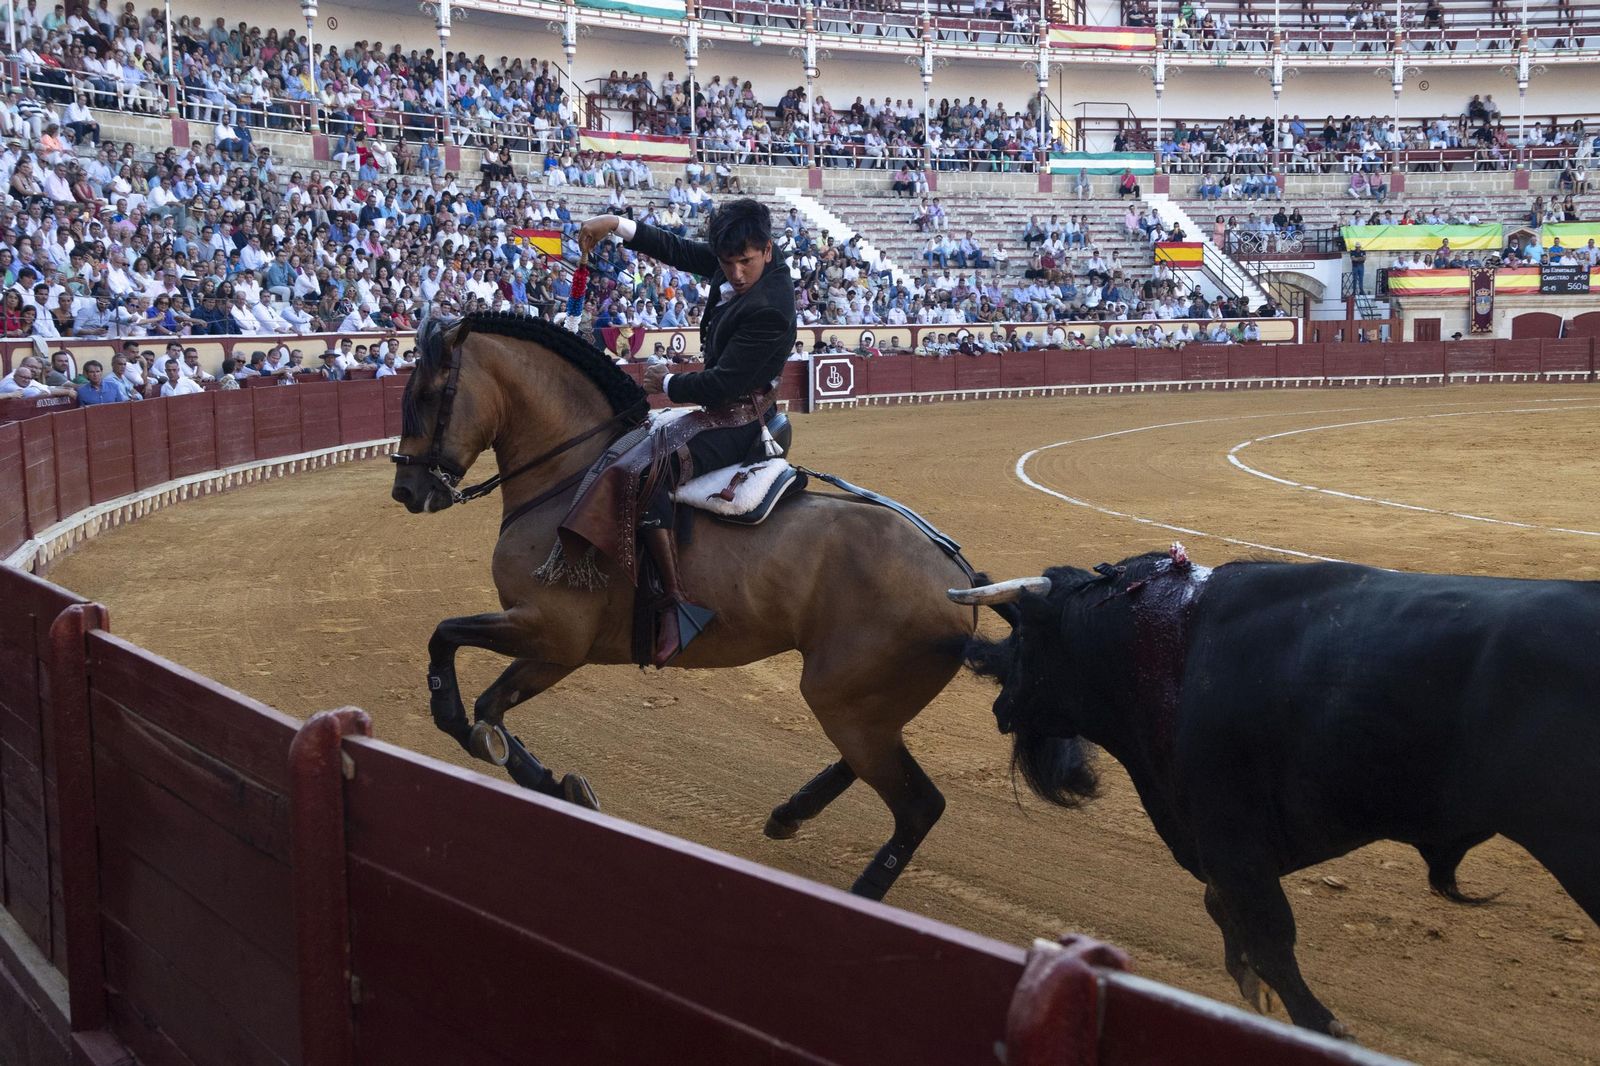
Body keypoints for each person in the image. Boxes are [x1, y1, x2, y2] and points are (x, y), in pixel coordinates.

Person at [578, 198, 796, 667]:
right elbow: (679, 250)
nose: (736, 273)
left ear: (768, 251)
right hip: (719, 410)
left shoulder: (770, 307)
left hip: (740, 421)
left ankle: (675, 603)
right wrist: (616, 224)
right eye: (727, 263)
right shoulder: (733, 262)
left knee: (649, 471)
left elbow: (725, 384)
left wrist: (667, 383)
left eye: (746, 262)